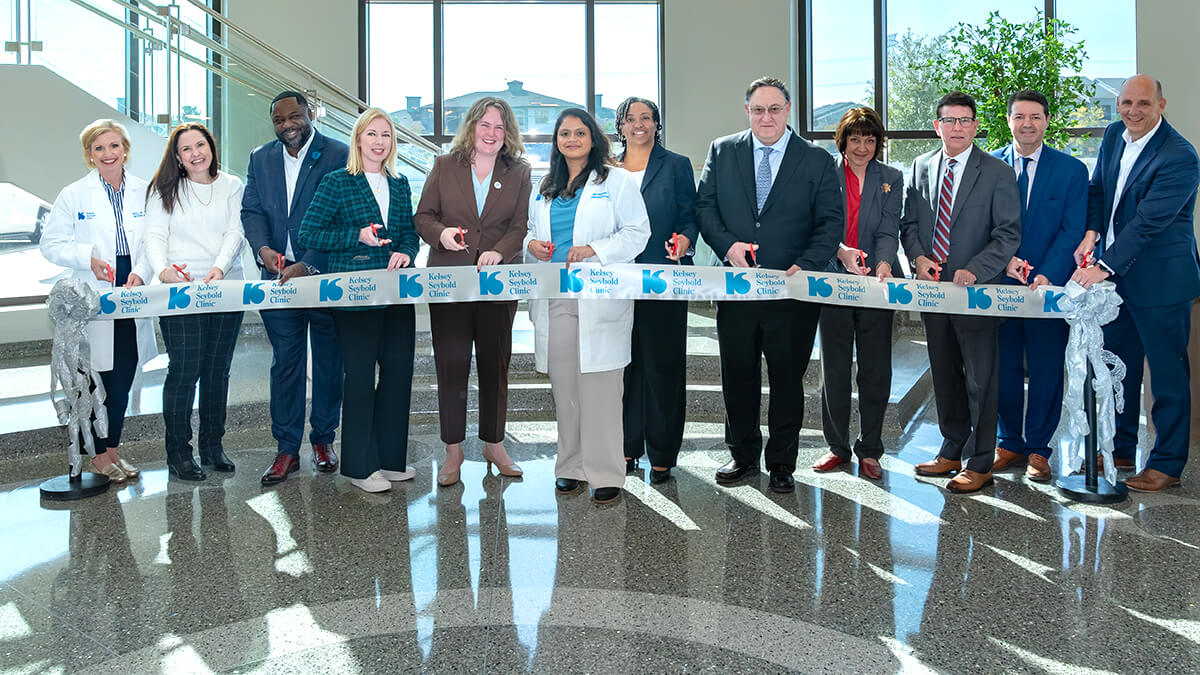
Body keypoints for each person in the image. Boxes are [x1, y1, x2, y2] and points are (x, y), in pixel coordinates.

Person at [695, 76, 842, 493]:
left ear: (788, 109)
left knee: (786, 379)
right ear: (747, 111)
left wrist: (806, 265)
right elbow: (704, 206)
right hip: (738, 290)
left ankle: (781, 462)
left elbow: (830, 221)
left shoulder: (815, 159)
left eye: (774, 109)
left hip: (792, 294)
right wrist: (727, 246)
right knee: (737, 376)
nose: (766, 117)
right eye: (758, 109)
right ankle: (742, 456)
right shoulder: (723, 151)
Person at [1071, 74, 1200, 492]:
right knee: (1117, 369)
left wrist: (1103, 266)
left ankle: (1167, 464)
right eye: (1127, 103)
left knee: (1166, 376)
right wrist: (1091, 233)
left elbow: (1148, 223)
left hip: (1162, 281)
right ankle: (1120, 448)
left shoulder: (1180, 156)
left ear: (1161, 105)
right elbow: (1098, 191)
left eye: (1143, 104)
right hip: (1119, 283)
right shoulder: (1113, 135)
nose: (1133, 111)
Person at [524, 108, 650, 504]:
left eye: (580, 132)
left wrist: (595, 249)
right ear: (556, 141)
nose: (572, 139)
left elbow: (637, 233)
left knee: (601, 387)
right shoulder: (544, 185)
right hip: (556, 296)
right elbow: (531, 229)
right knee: (566, 387)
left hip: (599, 296)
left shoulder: (617, 181)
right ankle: (569, 466)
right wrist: (531, 245)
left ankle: (606, 471)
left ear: (593, 139)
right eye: (564, 133)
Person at [900, 91, 1021, 494]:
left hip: (976, 293)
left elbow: (1007, 234)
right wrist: (917, 258)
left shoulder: (998, 171)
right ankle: (951, 450)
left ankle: (981, 461)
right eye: (949, 121)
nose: (956, 128)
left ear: (975, 126)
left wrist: (977, 270)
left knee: (981, 380)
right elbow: (910, 225)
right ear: (937, 126)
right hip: (933, 293)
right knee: (944, 373)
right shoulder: (920, 166)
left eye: (964, 120)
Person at [298, 108, 420, 494]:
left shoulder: (400, 184)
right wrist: (357, 237)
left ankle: (389, 460)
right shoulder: (338, 182)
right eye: (372, 134)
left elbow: (409, 233)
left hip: (397, 292)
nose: (379, 142)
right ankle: (359, 465)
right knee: (362, 376)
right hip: (355, 297)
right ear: (359, 140)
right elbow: (309, 233)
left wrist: (406, 252)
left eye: (386, 135)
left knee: (399, 373)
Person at [415, 97, 531, 487]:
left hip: (498, 283)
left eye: (500, 127)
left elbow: (520, 225)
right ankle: (453, 449)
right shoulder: (446, 166)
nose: (492, 134)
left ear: (508, 133)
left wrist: (500, 251)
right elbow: (423, 216)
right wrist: (441, 234)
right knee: (452, 364)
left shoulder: (519, 172)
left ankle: (494, 444)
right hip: (450, 282)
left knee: (495, 364)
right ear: (471, 127)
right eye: (485, 125)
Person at [41, 119, 159, 483]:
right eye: (99, 148)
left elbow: (152, 240)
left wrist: (140, 271)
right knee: (95, 379)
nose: (108, 154)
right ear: (89, 156)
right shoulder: (74, 194)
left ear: (125, 150)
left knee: (124, 376)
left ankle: (113, 451)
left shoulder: (144, 190)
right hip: (94, 292)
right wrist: (86, 257)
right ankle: (96, 456)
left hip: (131, 285)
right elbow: (51, 244)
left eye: (114, 146)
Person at [242, 91, 350, 486]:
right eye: (279, 120)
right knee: (285, 365)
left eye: (294, 116)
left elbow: (342, 217)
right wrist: (264, 250)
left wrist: (309, 262)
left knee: (327, 362)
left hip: (323, 278)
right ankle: (286, 448)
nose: (287, 124)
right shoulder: (260, 158)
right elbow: (251, 210)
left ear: (311, 114)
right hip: (277, 281)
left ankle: (323, 440)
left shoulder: (339, 154)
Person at [990, 89, 1087, 483]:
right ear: (1009, 120)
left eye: (1035, 116)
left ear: (1047, 121)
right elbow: (979, 223)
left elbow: (1072, 230)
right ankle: (1009, 441)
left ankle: (1038, 450)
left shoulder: (1071, 170)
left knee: (1048, 368)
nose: (1027, 124)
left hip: (1048, 290)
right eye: (1019, 117)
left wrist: (1047, 272)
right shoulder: (989, 166)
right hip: (998, 285)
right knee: (1003, 366)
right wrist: (1002, 264)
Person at [144, 123, 247, 481]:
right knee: (185, 372)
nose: (195, 153)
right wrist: (162, 271)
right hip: (181, 292)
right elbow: (154, 235)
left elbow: (236, 231)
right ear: (177, 157)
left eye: (200, 145)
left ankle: (212, 447)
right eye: (186, 149)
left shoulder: (231, 186)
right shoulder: (164, 189)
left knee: (217, 372)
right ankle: (178, 453)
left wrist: (219, 268)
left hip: (225, 288)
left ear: (211, 147)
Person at [810, 107, 902, 482]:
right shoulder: (823, 173)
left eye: (869, 139)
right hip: (833, 280)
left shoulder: (892, 178)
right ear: (842, 141)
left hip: (876, 284)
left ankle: (870, 450)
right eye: (854, 138)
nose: (862, 146)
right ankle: (837, 447)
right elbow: (813, 223)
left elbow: (888, 229)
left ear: (878, 142)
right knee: (834, 368)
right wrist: (839, 250)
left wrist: (883, 264)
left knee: (876, 369)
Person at [614, 96, 697, 485]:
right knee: (624, 365)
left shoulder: (676, 165)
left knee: (662, 366)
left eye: (646, 117)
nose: (639, 124)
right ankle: (626, 447)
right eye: (631, 119)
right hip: (613, 282)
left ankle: (662, 454)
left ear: (656, 123)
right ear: (621, 126)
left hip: (664, 277)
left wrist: (684, 240)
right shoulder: (606, 169)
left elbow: (688, 216)